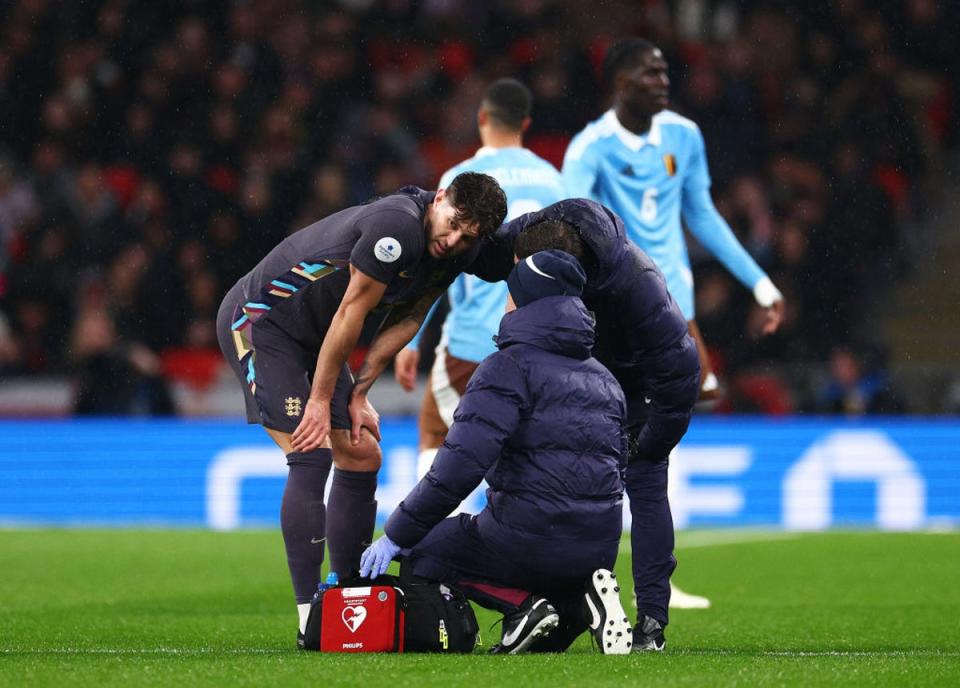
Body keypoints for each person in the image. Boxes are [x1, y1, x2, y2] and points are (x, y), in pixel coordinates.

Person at [215, 173, 507, 645]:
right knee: (311, 451)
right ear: (439, 199)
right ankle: (311, 615)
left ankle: (349, 592)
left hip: (314, 339)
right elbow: (351, 312)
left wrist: (359, 392)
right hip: (260, 324)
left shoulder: (458, 250)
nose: (452, 241)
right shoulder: (396, 228)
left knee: (362, 452)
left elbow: (411, 315)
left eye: (467, 236)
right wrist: (317, 403)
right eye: (452, 223)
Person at [562, 37, 787, 610]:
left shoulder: (684, 136)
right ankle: (595, 570)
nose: (663, 81)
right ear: (618, 82)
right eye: (650, 73)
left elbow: (703, 213)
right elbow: (572, 226)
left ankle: (652, 574)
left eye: (665, 72)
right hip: (618, 310)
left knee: (668, 426)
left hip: (674, 309)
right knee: (615, 433)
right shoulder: (590, 148)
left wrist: (760, 283)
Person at [362, 250, 633, 655]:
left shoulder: (507, 366)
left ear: (525, 301)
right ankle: (577, 606)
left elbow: (458, 468)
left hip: (528, 540)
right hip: (598, 547)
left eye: (510, 293)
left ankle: (521, 606)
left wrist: (398, 533)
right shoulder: (606, 379)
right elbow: (618, 467)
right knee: (544, 630)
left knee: (423, 553)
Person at [466, 198, 701, 651]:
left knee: (644, 479)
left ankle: (647, 620)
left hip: (623, 389)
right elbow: (467, 249)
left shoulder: (639, 285)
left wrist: (649, 444)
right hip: (569, 377)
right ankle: (583, 598)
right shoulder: (527, 239)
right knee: (586, 489)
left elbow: (679, 374)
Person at [394, 78, 566, 480]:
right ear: (525, 123)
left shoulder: (461, 176)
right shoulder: (554, 182)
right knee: (522, 445)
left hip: (471, 345)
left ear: (482, 117)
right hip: (536, 343)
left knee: (436, 434)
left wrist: (411, 339)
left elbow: (438, 261)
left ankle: (430, 534)